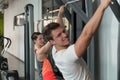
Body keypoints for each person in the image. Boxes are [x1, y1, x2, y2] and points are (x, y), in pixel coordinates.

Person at [43, 0, 111, 80]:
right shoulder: (66, 57)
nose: (65, 35)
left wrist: (60, 14)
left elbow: (59, 26)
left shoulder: (55, 50)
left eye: (64, 31)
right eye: (59, 35)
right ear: (52, 42)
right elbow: (87, 34)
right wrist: (102, 6)